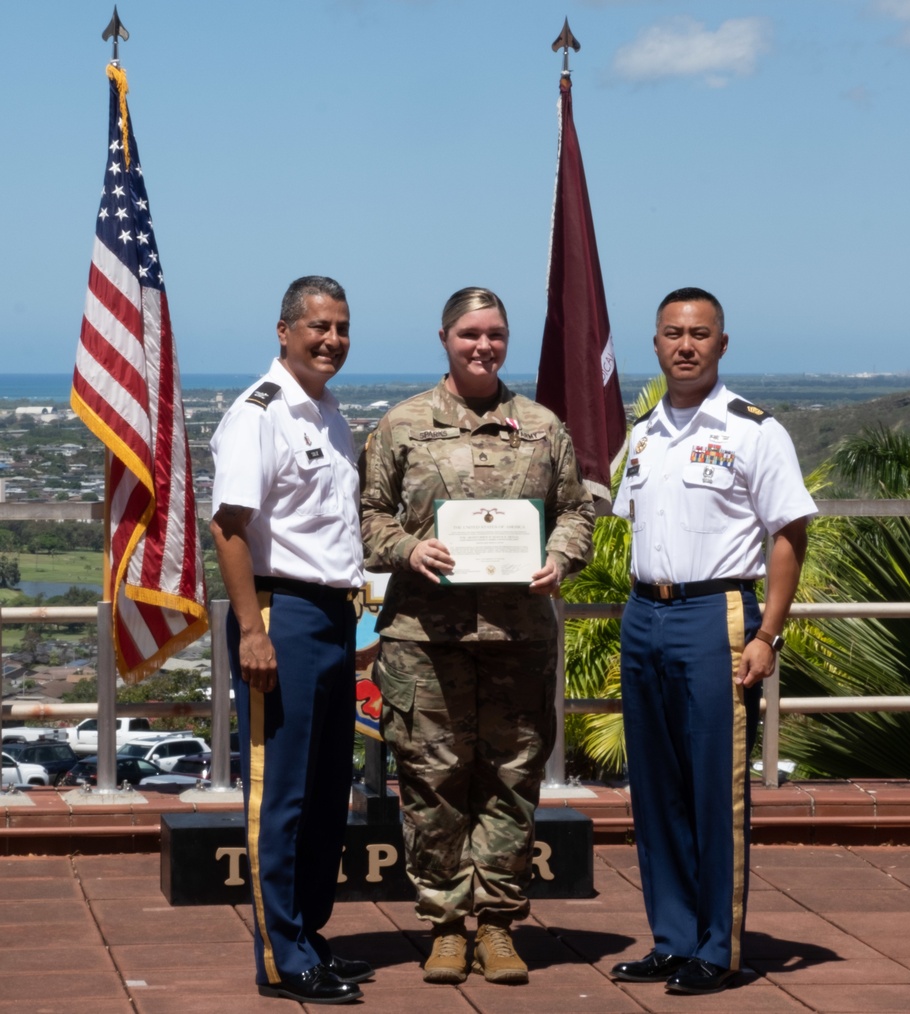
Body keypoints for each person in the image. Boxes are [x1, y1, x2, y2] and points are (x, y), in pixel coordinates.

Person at [360, 286, 594, 986]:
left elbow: (576, 510)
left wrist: (562, 557)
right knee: (431, 785)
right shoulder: (401, 426)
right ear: (444, 339)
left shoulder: (544, 426)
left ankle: (496, 924)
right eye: (469, 334)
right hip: (424, 640)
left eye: (495, 333)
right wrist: (408, 550)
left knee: (511, 782)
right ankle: (443, 925)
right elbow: (369, 517)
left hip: (517, 638)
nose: (483, 345)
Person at [610, 287, 816, 995]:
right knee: (655, 785)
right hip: (643, 615)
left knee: (714, 788)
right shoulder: (642, 435)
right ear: (657, 343)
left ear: (722, 345)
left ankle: (717, 947)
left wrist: (768, 632)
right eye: (673, 333)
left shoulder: (755, 430)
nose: (686, 346)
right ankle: (671, 938)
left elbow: (789, 533)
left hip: (715, 616)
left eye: (700, 334)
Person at [210, 275, 372, 1005]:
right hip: (281, 617)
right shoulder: (259, 415)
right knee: (282, 794)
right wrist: (251, 630)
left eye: (341, 327)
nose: (331, 340)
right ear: (283, 331)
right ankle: (282, 956)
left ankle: (310, 934)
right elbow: (230, 529)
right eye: (318, 327)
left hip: (333, 616)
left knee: (328, 789)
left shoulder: (331, 415)